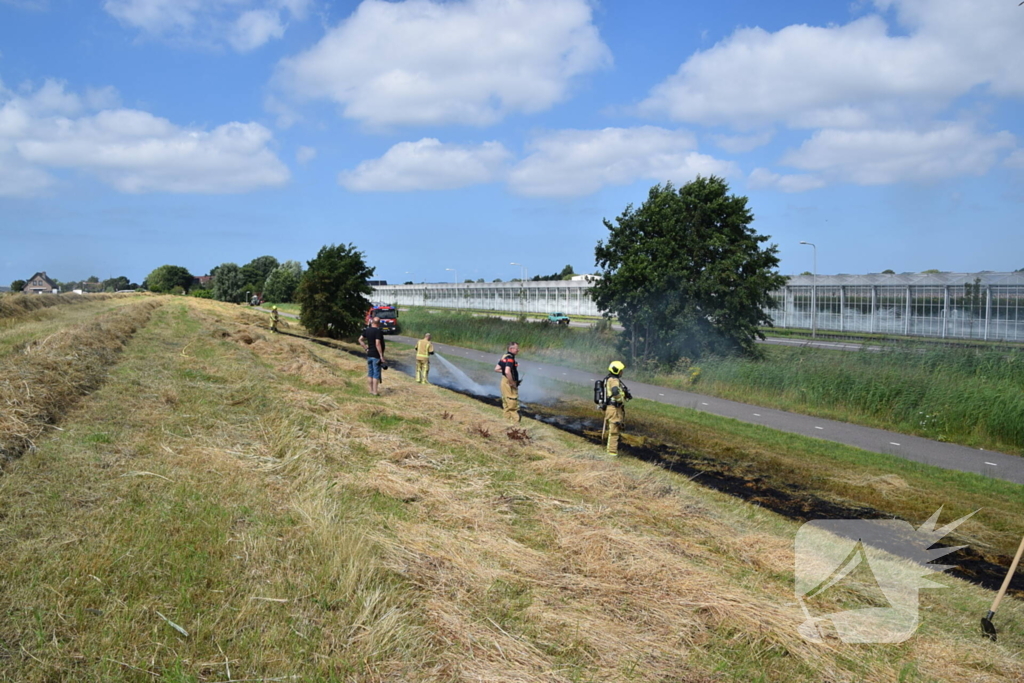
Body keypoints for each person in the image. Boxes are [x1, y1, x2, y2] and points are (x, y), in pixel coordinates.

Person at [603, 360, 632, 455]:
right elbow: (615, 392)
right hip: (614, 409)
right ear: (616, 370)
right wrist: (620, 400)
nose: (622, 372)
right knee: (614, 432)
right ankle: (612, 453)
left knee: (613, 430)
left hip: (610, 408)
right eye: (621, 370)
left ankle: (609, 450)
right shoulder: (614, 380)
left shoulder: (609, 379)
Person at [358, 316, 387, 396]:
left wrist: (366, 348)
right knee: (376, 374)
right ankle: (375, 392)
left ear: (372, 322)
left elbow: (360, 339)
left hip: (369, 354)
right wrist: (381, 356)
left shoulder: (367, 330)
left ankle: (370, 390)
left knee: (370, 373)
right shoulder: (378, 331)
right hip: (376, 356)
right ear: (378, 323)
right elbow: (377, 343)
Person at [495, 342, 521, 423]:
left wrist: (512, 367)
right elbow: (507, 371)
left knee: (506, 401)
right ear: (511, 349)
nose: (518, 350)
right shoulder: (510, 358)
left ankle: (506, 420)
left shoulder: (504, 356)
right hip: (508, 381)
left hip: (504, 381)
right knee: (512, 401)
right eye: (516, 349)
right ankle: (515, 422)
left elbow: (497, 369)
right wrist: (512, 382)